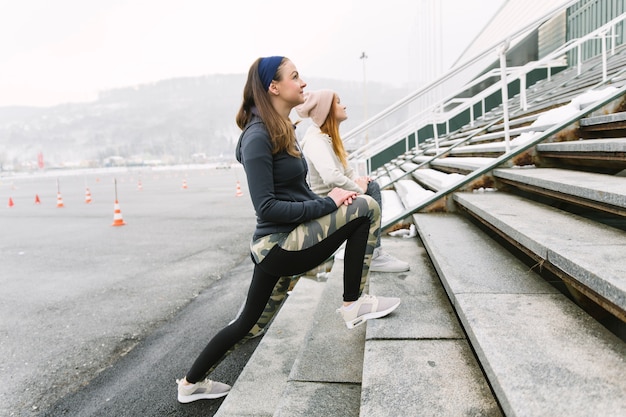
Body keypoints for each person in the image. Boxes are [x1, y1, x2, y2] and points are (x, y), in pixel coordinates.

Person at [176, 56, 401, 404]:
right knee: (365, 207)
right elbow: (266, 207)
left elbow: (298, 194)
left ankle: (190, 383)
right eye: (295, 77)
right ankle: (352, 304)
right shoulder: (257, 137)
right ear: (274, 87)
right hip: (278, 245)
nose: (303, 83)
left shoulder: (282, 129)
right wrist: (331, 202)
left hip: (283, 243)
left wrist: (326, 201)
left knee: (249, 325)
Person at [296, 89, 410, 273]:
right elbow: (331, 176)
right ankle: (373, 255)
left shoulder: (327, 138)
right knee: (370, 192)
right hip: (325, 207)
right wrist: (358, 188)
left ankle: (371, 252)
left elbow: (346, 171)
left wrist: (358, 181)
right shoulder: (315, 141)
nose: (344, 105)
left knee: (371, 186)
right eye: (338, 102)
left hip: (335, 199)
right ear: (326, 111)